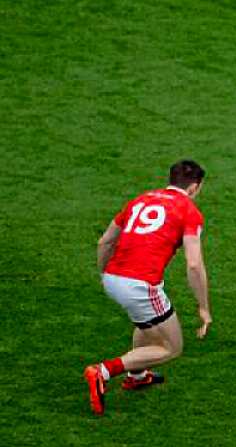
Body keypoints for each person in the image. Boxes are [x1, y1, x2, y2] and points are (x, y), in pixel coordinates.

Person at [84, 160, 211, 415]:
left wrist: (105, 275)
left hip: (113, 277)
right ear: (195, 187)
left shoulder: (139, 200)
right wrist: (204, 307)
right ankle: (103, 371)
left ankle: (138, 375)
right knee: (171, 347)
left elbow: (105, 242)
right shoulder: (189, 211)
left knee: (145, 323)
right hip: (141, 285)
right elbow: (194, 265)